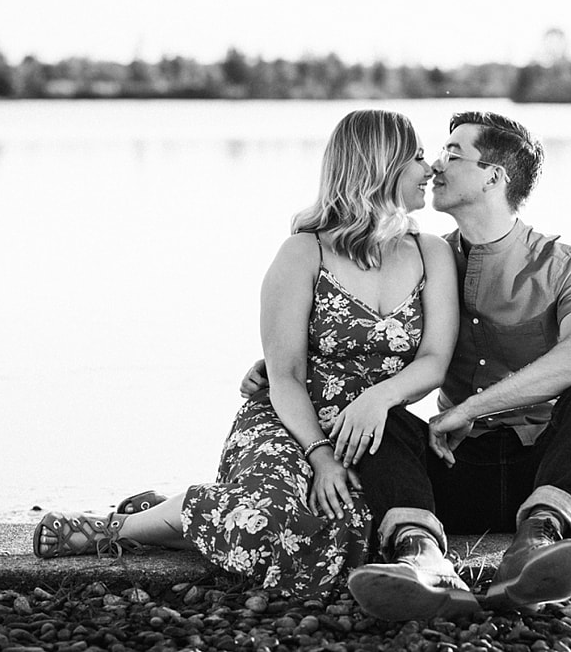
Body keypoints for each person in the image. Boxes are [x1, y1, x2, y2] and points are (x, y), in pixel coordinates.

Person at [32, 109, 460, 600]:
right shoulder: (303, 253)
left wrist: (377, 399)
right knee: (264, 519)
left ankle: (173, 511)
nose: (430, 170)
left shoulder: (432, 252)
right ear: (380, 163)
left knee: (348, 528)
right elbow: (285, 374)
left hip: (370, 434)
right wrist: (319, 456)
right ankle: (114, 530)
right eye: (419, 158)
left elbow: (433, 361)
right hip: (287, 420)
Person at [242, 110, 571, 620]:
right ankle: (421, 558)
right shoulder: (425, 259)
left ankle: (537, 544)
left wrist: (470, 408)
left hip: (543, 469)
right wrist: (277, 364)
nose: (436, 166)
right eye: (436, 154)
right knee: (375, 414)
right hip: (453, 467)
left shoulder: (566, 264)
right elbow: (366, 340)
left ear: (494, 176)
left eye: (454, 154)